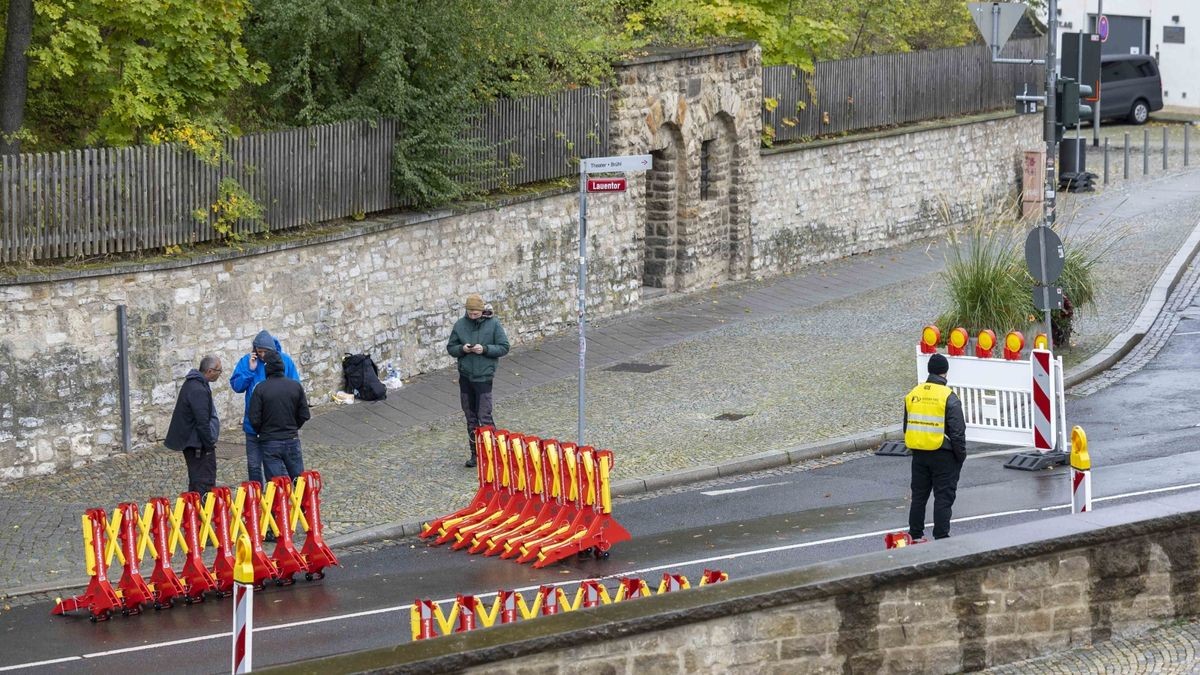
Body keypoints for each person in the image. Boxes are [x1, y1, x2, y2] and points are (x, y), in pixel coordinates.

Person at [903, 353, 967, 541]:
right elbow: (957, 432)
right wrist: (960, 456)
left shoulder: (914, 393)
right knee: (943, 498)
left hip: (919, 454)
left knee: (919, 497)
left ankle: (914, 535)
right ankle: (941, 537)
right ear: (945, 372)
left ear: (929, 371)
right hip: (943, 455)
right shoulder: (948, 397)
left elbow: (907, 425)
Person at [446, 293, 510, 468]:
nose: (472, 316)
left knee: (484, 416)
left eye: (475, 313)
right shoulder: (460, 325)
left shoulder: (494, 324)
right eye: (470, 313)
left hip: (484, 377)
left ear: (482, 311)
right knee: (470, 417)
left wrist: (486, 349)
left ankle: (496, 455)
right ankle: (475, 455)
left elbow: (504, 347)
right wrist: (462, 349)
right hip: (466, 376)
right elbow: (451, 348)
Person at [230, 330, 300, 486]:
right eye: (259, 351)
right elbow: (237, 386)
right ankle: (256, 500)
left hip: (275, 427)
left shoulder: (285, 362)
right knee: (254, 465)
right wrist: (250, 370)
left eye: (264, 352)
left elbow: (295, 390)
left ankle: (277, 499)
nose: (261, 355)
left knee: (277, 468)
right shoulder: (247, 361)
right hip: (253, 427)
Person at [248, 350, 311, 484]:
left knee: (276, 486)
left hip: (270, 441)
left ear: (267, 368)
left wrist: (262, 431)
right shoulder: (295, 386)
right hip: (291, 438)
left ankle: (279, 505)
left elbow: (254, 418)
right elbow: (304, 414)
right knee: (299, 483)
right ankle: (303, 505)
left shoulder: (260, 389)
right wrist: (293, 426)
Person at [165, 355, 223, 495]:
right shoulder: (198, 389)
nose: (220, 374)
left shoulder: (195, 384)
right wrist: (209, 446)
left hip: (194, 443)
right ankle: (202, 512)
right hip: (197, 446)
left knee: (198, 480)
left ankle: (196, 510)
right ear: (209, 371)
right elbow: (202, 422)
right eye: (219, 371)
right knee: (203, 482)